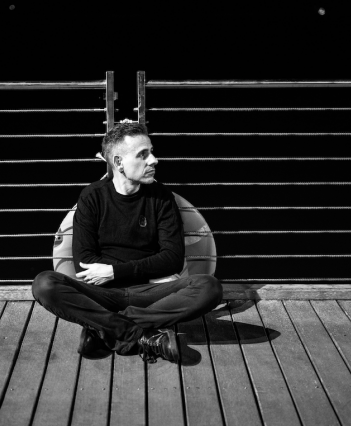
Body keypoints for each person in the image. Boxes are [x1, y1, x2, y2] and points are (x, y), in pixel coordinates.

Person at [32, 122, 222, 363]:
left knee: (209, 288)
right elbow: (84, 263)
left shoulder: (161, 197)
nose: (154, 160)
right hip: (103, 294)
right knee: (44, 284)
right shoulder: (92, 197)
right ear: (119, 162)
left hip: (149, 293)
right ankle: (142, 335)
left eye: (151, 152)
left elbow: (172, 259)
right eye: (143, 155)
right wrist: (145, 269)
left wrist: (114, 271)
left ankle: (104, 329)